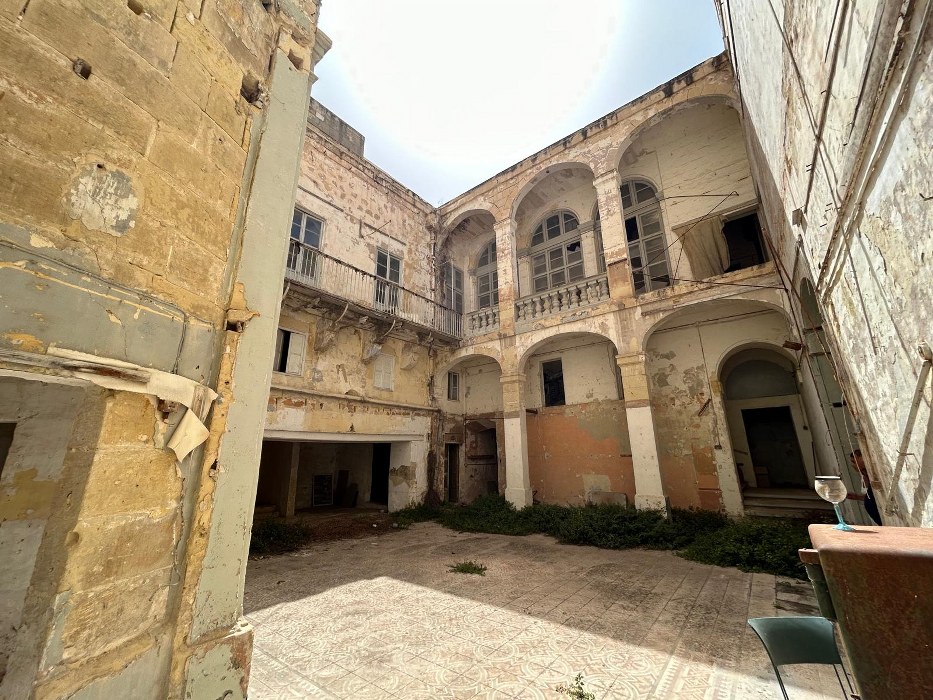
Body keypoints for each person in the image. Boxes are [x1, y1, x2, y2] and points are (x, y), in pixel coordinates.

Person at [845, 449, 882, 525]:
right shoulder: (864, 475)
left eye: (854, 462)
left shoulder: (873, 472)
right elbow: (871, 496)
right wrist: (857, 497)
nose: (853, 465)